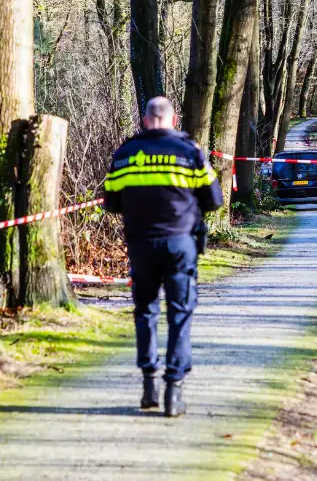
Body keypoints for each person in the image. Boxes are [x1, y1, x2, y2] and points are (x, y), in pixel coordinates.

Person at [102, 96, 222, 417]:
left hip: (141, 245)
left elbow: (111, 203)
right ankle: (174, 391)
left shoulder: (125, 154)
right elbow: (214, 199)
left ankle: (148, 386)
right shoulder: (189, 152)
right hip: (180, 244)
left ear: (145, 120)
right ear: (173, 119)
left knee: (145, 312)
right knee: (180, 313)